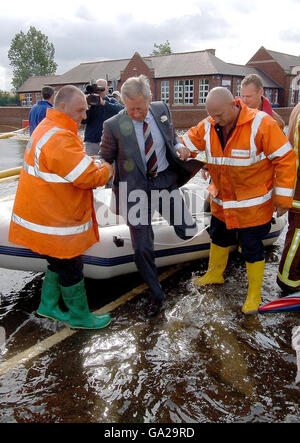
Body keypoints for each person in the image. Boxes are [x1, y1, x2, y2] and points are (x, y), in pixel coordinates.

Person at [182, 87, 296, 314]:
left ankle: (254, 294)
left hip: (252, 205)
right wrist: (182, 149)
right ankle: (215, 273)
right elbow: (187, 142)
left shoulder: (261, 124)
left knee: (252, 248)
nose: (216, 120)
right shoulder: (209, 124)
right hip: (222, 202)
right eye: (212, 115)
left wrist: (283, 199)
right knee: (218, 235)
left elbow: (285, 158)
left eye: (220, 115)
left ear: (233, 105)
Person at [9, 85, 114, 329]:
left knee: (57, 262)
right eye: (80, 111)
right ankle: (79, 317)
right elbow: (89, 178)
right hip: (55, 220)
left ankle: (48, 306)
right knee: (71, 266)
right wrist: (108, 166)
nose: (85, 116)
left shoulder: (48, 129)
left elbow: (69, 166)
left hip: (44, 214)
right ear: (63, 107)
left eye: (86, 110)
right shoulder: (60, 137)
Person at [100, 75, 202, 318]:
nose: (135, 113)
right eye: (130, 108)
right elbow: (104, 157)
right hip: (133, 190)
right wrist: (96, 169)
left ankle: (171, 230)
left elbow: (172, 137)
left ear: (150, 100)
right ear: (124, 102)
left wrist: (179, 147)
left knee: (186, 229)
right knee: (142, 247)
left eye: (140, 107)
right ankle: (156, 294)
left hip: (164, 181)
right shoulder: (113, 125)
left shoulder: (161, 110)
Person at [277, 103, 300, 292]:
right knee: (297, 235)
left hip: (294, 184)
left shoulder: (298, 107)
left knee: (295, 234)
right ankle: (288, 280)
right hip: (298, 186)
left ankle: (289, 277)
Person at [82, 78, 123, 156]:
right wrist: (88, 107)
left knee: (109, 165)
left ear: (107, 88)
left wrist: (103, 103)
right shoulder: (89, 102)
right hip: (92, 141)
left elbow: (120, 110)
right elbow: (83, 121)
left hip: (109, 141)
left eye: (102, 89)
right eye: (97, 89)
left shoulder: (111, 100)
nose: (99, 92)